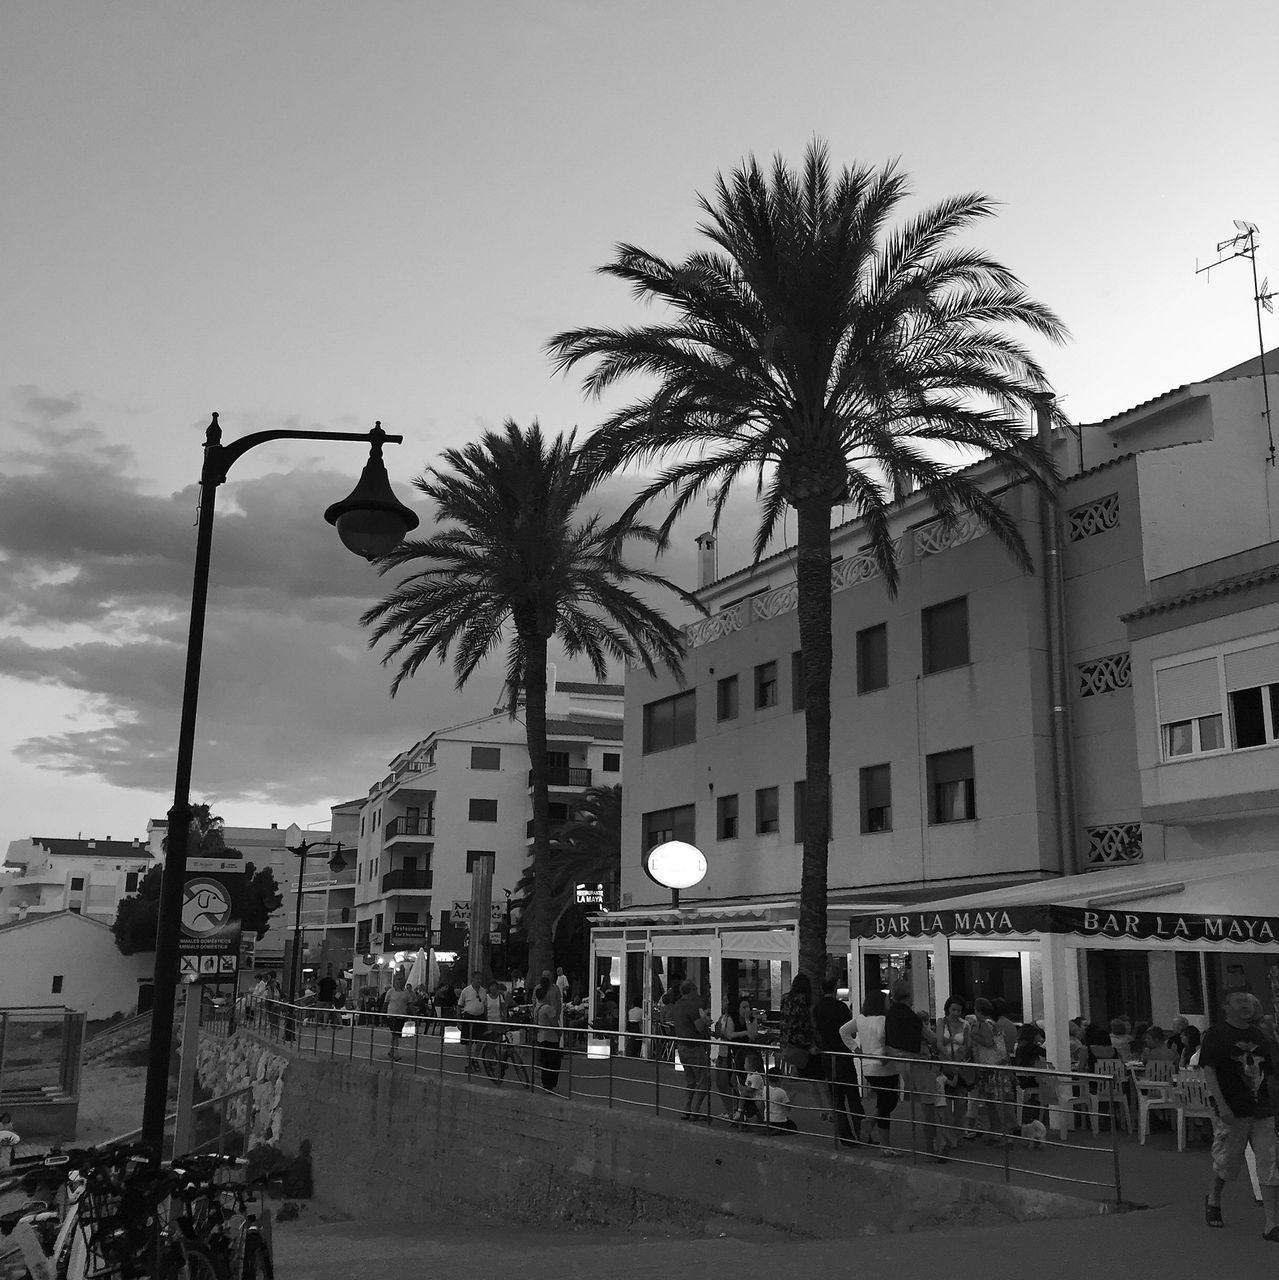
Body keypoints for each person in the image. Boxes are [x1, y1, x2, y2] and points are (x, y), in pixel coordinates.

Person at [1200, 988, 1279, 1238]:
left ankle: (1271, 1224)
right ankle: (1214, 1198)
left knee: (1269, 1164)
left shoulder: (1259, 1035)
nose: (1245, 1005)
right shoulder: (1216, 1034)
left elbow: (1270, 1072)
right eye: (1239, 1001)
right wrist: (1222, 1105)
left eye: (1247, 1001)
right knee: (1228, 1161)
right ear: (1226, 1006)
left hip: (1262, 1109)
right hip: (1234, 1109)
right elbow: (1209, 1071)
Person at [884, 978, 944, 1159]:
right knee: (928, 1105)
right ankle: (931, 1147)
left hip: (900, 1061)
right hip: (919, 1061)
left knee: (913, 1104)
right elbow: (931, 1038)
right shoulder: (913, 1018)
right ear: (908, 996)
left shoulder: (890, 1015)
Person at [840, 989, 898, 1155]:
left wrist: (856, 1049)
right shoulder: (884, 1020)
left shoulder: (861, 1019)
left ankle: (876, 1129)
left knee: (885, 1101)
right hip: (884, 1065)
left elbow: (843, 1031)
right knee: (888, 1102)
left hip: (867, 1065)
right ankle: (883, 1142)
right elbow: (883, 1037)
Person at [814, 977, 865, 1146]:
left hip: (828, 1055)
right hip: (843, 1053)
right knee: (852, 1095)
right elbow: (851, 1032)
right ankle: (861, 1132)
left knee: (837, 1098)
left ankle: (844, 1135)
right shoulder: (841, 1007)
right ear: (835, 989)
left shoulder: (818, 1009)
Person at [778, 973, 824, 1127]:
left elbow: (785, 1022)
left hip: (788, 1044)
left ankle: (787, 1101)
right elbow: (805, 1025)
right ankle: (824, 1108)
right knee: (817, 1078)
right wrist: (811, 1044)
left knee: (802, 1076)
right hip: (802, 1045)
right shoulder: (804, 1001)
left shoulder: (785, 999)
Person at [971, 997, 1010, 1145]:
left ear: (978, 1010)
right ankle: (997, 1133)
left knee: (996, 1102)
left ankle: (1002, 1133)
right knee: (993, 1102)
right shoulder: (994, 1024)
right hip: (996, 1065)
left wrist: (973, 1036)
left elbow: (988, 1042)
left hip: (991, 1067)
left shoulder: (985, 1024)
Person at [937, 996, 974, 1150]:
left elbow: (969, 1045)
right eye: (953, 1009)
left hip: (960, 1066)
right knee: (945, 1103)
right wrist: (948, 1060)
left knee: (960, 1102)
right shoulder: (941, 1022)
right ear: (948, 1009)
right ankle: (948, 1135)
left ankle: (958, 1134)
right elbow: (938, 1043)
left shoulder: (966, 1025)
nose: (956, 1013)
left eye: (959, 1010)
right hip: (945, 1066)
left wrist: (960, 1060)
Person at [671, 980, 712, 1121]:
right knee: (703, 1079)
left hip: (681, 1046)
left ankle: (686, 1108)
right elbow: (699, 1027)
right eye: (696, 990)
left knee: (690, 1080)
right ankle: (696, 1110)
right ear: (692, 991)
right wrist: (706, 1022)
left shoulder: (677, 1005)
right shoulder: (692, 1006)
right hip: (694, 1046)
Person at [743, 1057, 797, 1133]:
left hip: (767, 1119)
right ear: (780, 1079)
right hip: (779, 1120)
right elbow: (788, 1108)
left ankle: (769, 1128)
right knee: (792, 1126)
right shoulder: (781, 1092)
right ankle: (777, 1130)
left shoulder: (764, 1089)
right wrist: (792, 1096)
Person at [534, 980, 564, 1093]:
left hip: (541, 1036)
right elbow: (553, 1022)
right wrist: (559, 1032)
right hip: (550, 1037)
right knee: (554, 1062)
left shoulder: (537, 1008)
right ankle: (552, 1085)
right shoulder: (547, 1008)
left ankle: (546, 1084)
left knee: (545, 1061)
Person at [458, 970, 487, 1070]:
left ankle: (475, 1058)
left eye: (480, 979)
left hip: (480, 1017)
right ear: (473, 979)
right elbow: (459, 1005)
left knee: (481, 1040)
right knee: (468, 1041)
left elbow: (485, 1006)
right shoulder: (466, 991)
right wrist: (459, 1021)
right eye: (477, 979)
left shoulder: (483, 991)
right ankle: (468, 1062)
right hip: (469, 1017)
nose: (479, 981)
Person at [384, 973, 413, 1062]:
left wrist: (414, 1014)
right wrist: (382, 1015)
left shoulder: (406, 993)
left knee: (396, 1034)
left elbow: (409, 1003)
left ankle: (391, 1051)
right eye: (398, 980)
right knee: (395, 1033)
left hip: (401, 1015)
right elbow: (385, 1003)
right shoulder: (390, 992)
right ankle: (395, 1052)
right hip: (392, 1015)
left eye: (402, 980)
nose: (400, 982)